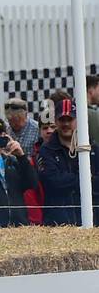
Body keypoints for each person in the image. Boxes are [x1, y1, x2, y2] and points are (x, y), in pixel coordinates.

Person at [38, 92, 98, 226]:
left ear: (77, 120)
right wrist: (85, 179)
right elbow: (52, 182)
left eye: (69, 119)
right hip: (58, 222)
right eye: (62, 119)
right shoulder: (46, 150)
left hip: (91, 219)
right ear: (56, 121)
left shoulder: (91, 148)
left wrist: (75, 180)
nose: (65, 124)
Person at [0, 115, 37, 228]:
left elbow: (32, 183)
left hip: (19, 225)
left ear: (5, 136)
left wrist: (21, 157)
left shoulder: (13, 161)